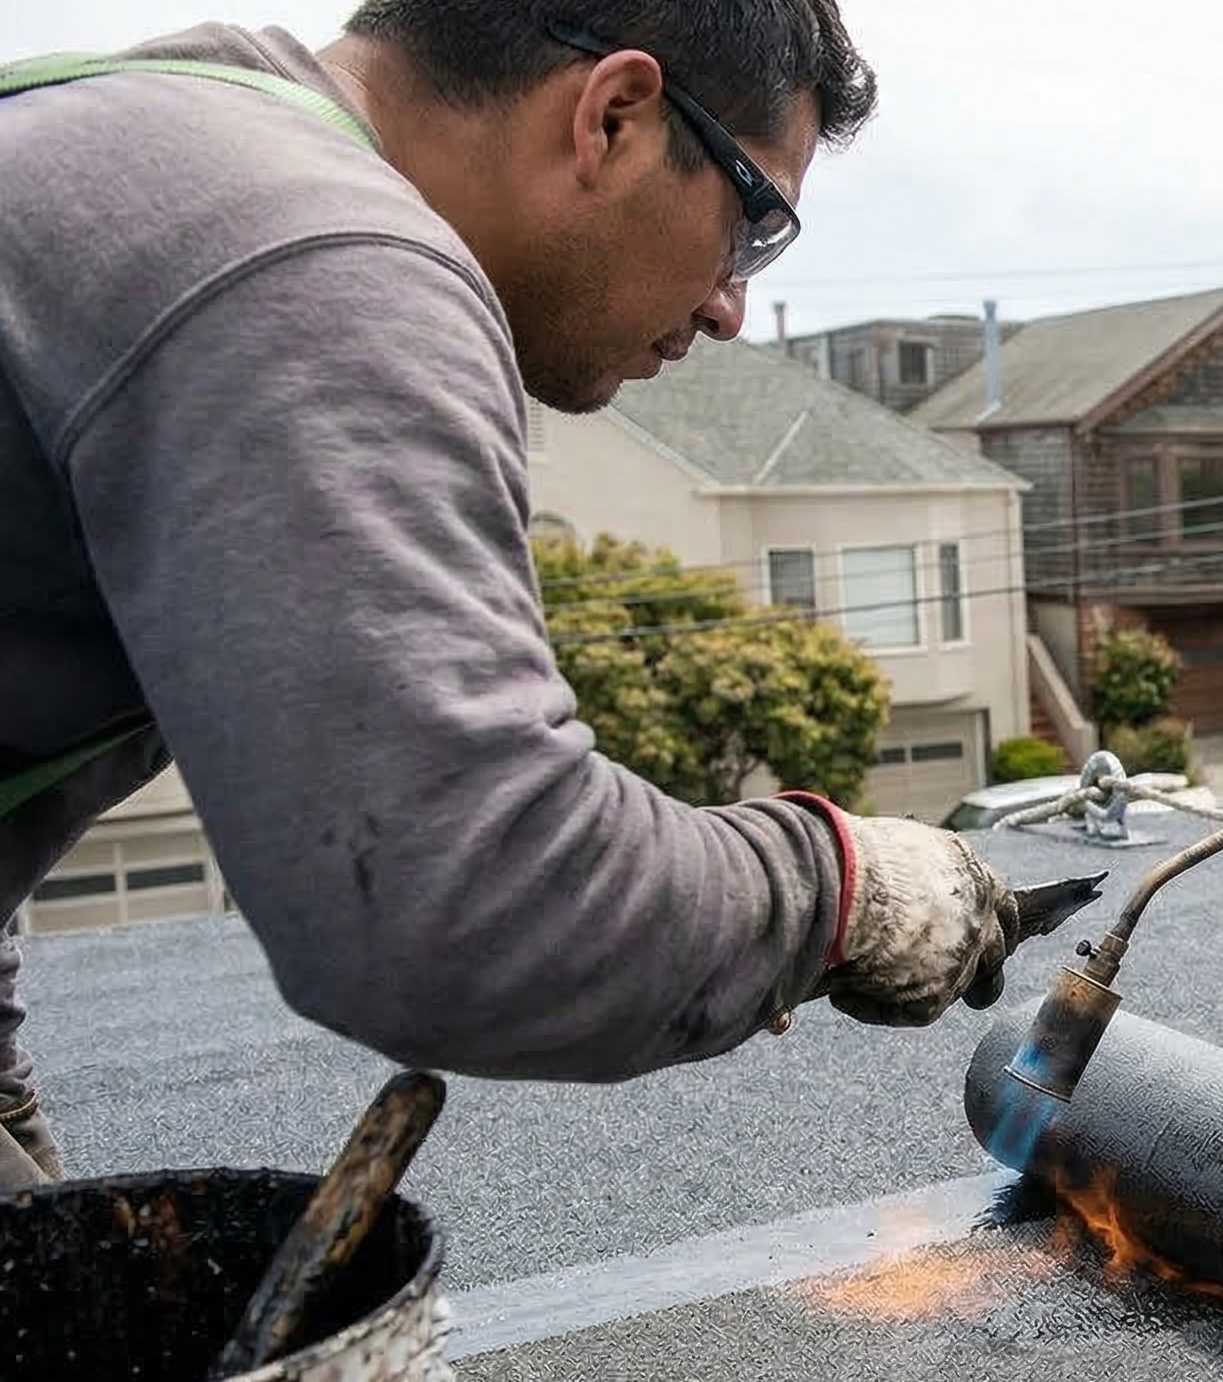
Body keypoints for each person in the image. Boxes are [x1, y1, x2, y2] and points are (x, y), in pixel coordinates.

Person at [0, 1, 1034, 1194]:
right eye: (754, 226)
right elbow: (468, 900)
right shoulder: (318, 268)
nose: (727, 305)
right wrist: (840, 888)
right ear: (615, 116)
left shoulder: (149, 129)